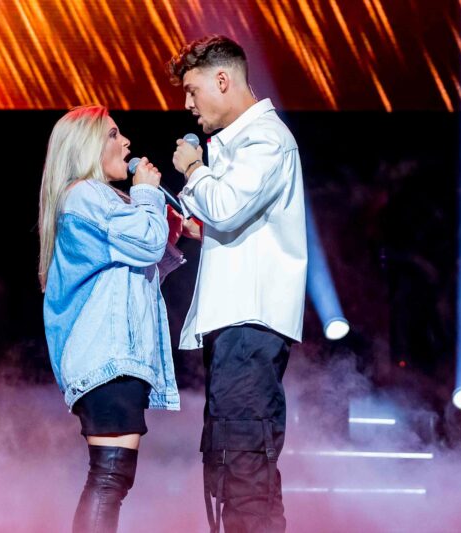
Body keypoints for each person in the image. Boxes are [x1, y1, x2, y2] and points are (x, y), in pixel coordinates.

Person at [168, 35, 308, 533]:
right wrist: (202, 229)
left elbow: (226, 206)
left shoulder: (266, 138)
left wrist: (193, 170)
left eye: (192, 90)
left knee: (245, 467)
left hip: (249, 328)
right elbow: (234, 221)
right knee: (233, 465)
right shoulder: (244, 143)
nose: (188, 105)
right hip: (237, 330)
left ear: (223, 80)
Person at [38, 105, 183, 533]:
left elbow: (137, 269)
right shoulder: (87, 194)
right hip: (107, 356)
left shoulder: (93, 198)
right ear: (86, 147)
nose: (126, 142)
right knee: (109, 475)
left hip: (108, 357)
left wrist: (163, 230)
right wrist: (148, 196)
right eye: (114, 134)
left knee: (112, 476)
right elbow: (145, 244)